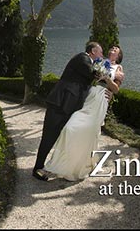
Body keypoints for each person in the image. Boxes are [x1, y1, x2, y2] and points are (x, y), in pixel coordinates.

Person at [43, 45, 125, 181]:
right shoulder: (98, 61)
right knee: (70, 127)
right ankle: (62, 164)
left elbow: (115, 89)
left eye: (115, 50)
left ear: (119, 56)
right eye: (111, 48)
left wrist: (108, 79)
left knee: (89, 133)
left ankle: (81, 166)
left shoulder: (119, 69)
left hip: (101, 98)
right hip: (88, 96)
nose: (112, 50)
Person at [32, 41, 104, 181]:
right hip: (60, 104)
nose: (101, 55)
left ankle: (59, 166)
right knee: (49, 136)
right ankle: (37, 169)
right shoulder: (82, 58)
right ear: (93, 51)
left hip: (67, 106)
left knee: (64, 136)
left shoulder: (86, 60)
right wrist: (105, 71)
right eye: (100, 52)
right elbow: (92, 74)